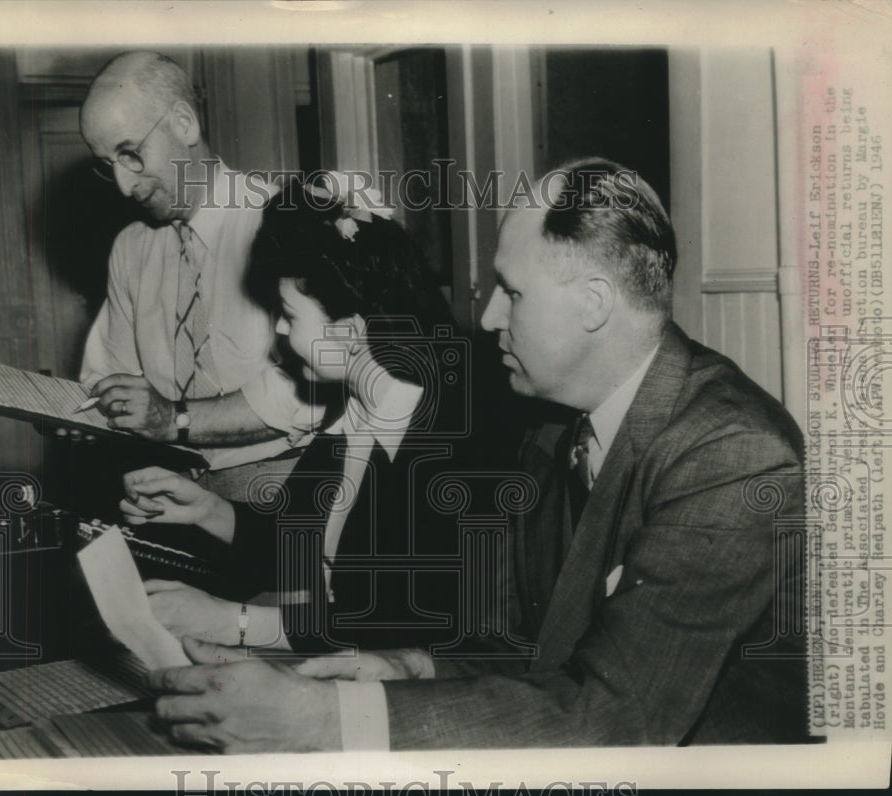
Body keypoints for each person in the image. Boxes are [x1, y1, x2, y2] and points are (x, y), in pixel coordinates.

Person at [144, 158, 808, 752]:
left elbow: (618, 716)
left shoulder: (732, 453)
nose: (488, 317)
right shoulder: (551, 426)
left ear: (594, 304)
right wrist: (411, 668)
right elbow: (522, 645)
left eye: (511, 293)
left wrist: (325, 718)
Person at [118, 177, 472, 655]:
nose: (281, 331)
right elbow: (296, 543)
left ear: (349, 333)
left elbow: (399, 625)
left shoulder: (439, 450)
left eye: (289, 314)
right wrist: (206, 510)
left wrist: (232, 622)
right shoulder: (350, 409)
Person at [77, 51, 318, 494]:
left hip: (283, 483)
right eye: (108, 164)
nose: (124, 187)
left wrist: (175, 419)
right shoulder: (130, 248)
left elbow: (313, 392)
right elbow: (110, 374)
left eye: (131, 154)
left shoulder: (285, 221)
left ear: (184, 124)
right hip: (172, 484)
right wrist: (88, 413)